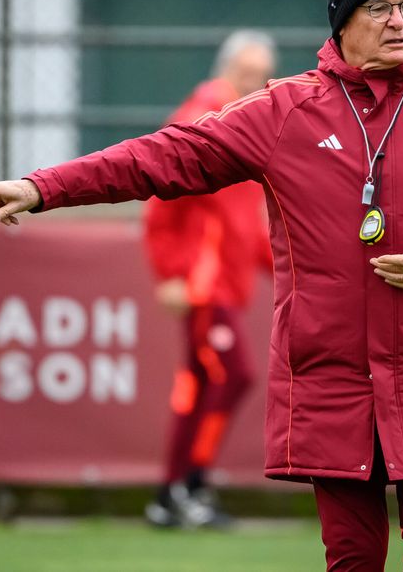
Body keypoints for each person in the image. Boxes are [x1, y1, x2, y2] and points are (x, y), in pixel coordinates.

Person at [0, 0, 403, 571]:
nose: (399, 21)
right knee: (354, 555)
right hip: (330, 375)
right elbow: (165, 156)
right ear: (342, 20)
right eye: (379, 7)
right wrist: (42, 187)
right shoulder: (285, 110)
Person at [142, 31, 275, 528]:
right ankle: (189, 486)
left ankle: (172, 495)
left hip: (224, 284)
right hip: (203, 285)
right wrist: (169, 274)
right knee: (232, 374)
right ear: (226, 69)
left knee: (198, 387)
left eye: (260, 73)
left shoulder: (247, 124)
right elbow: (161, 199)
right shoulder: (203, 118)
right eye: (245, 71)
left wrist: (290, 269)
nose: (253, 81)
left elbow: (248, 223)